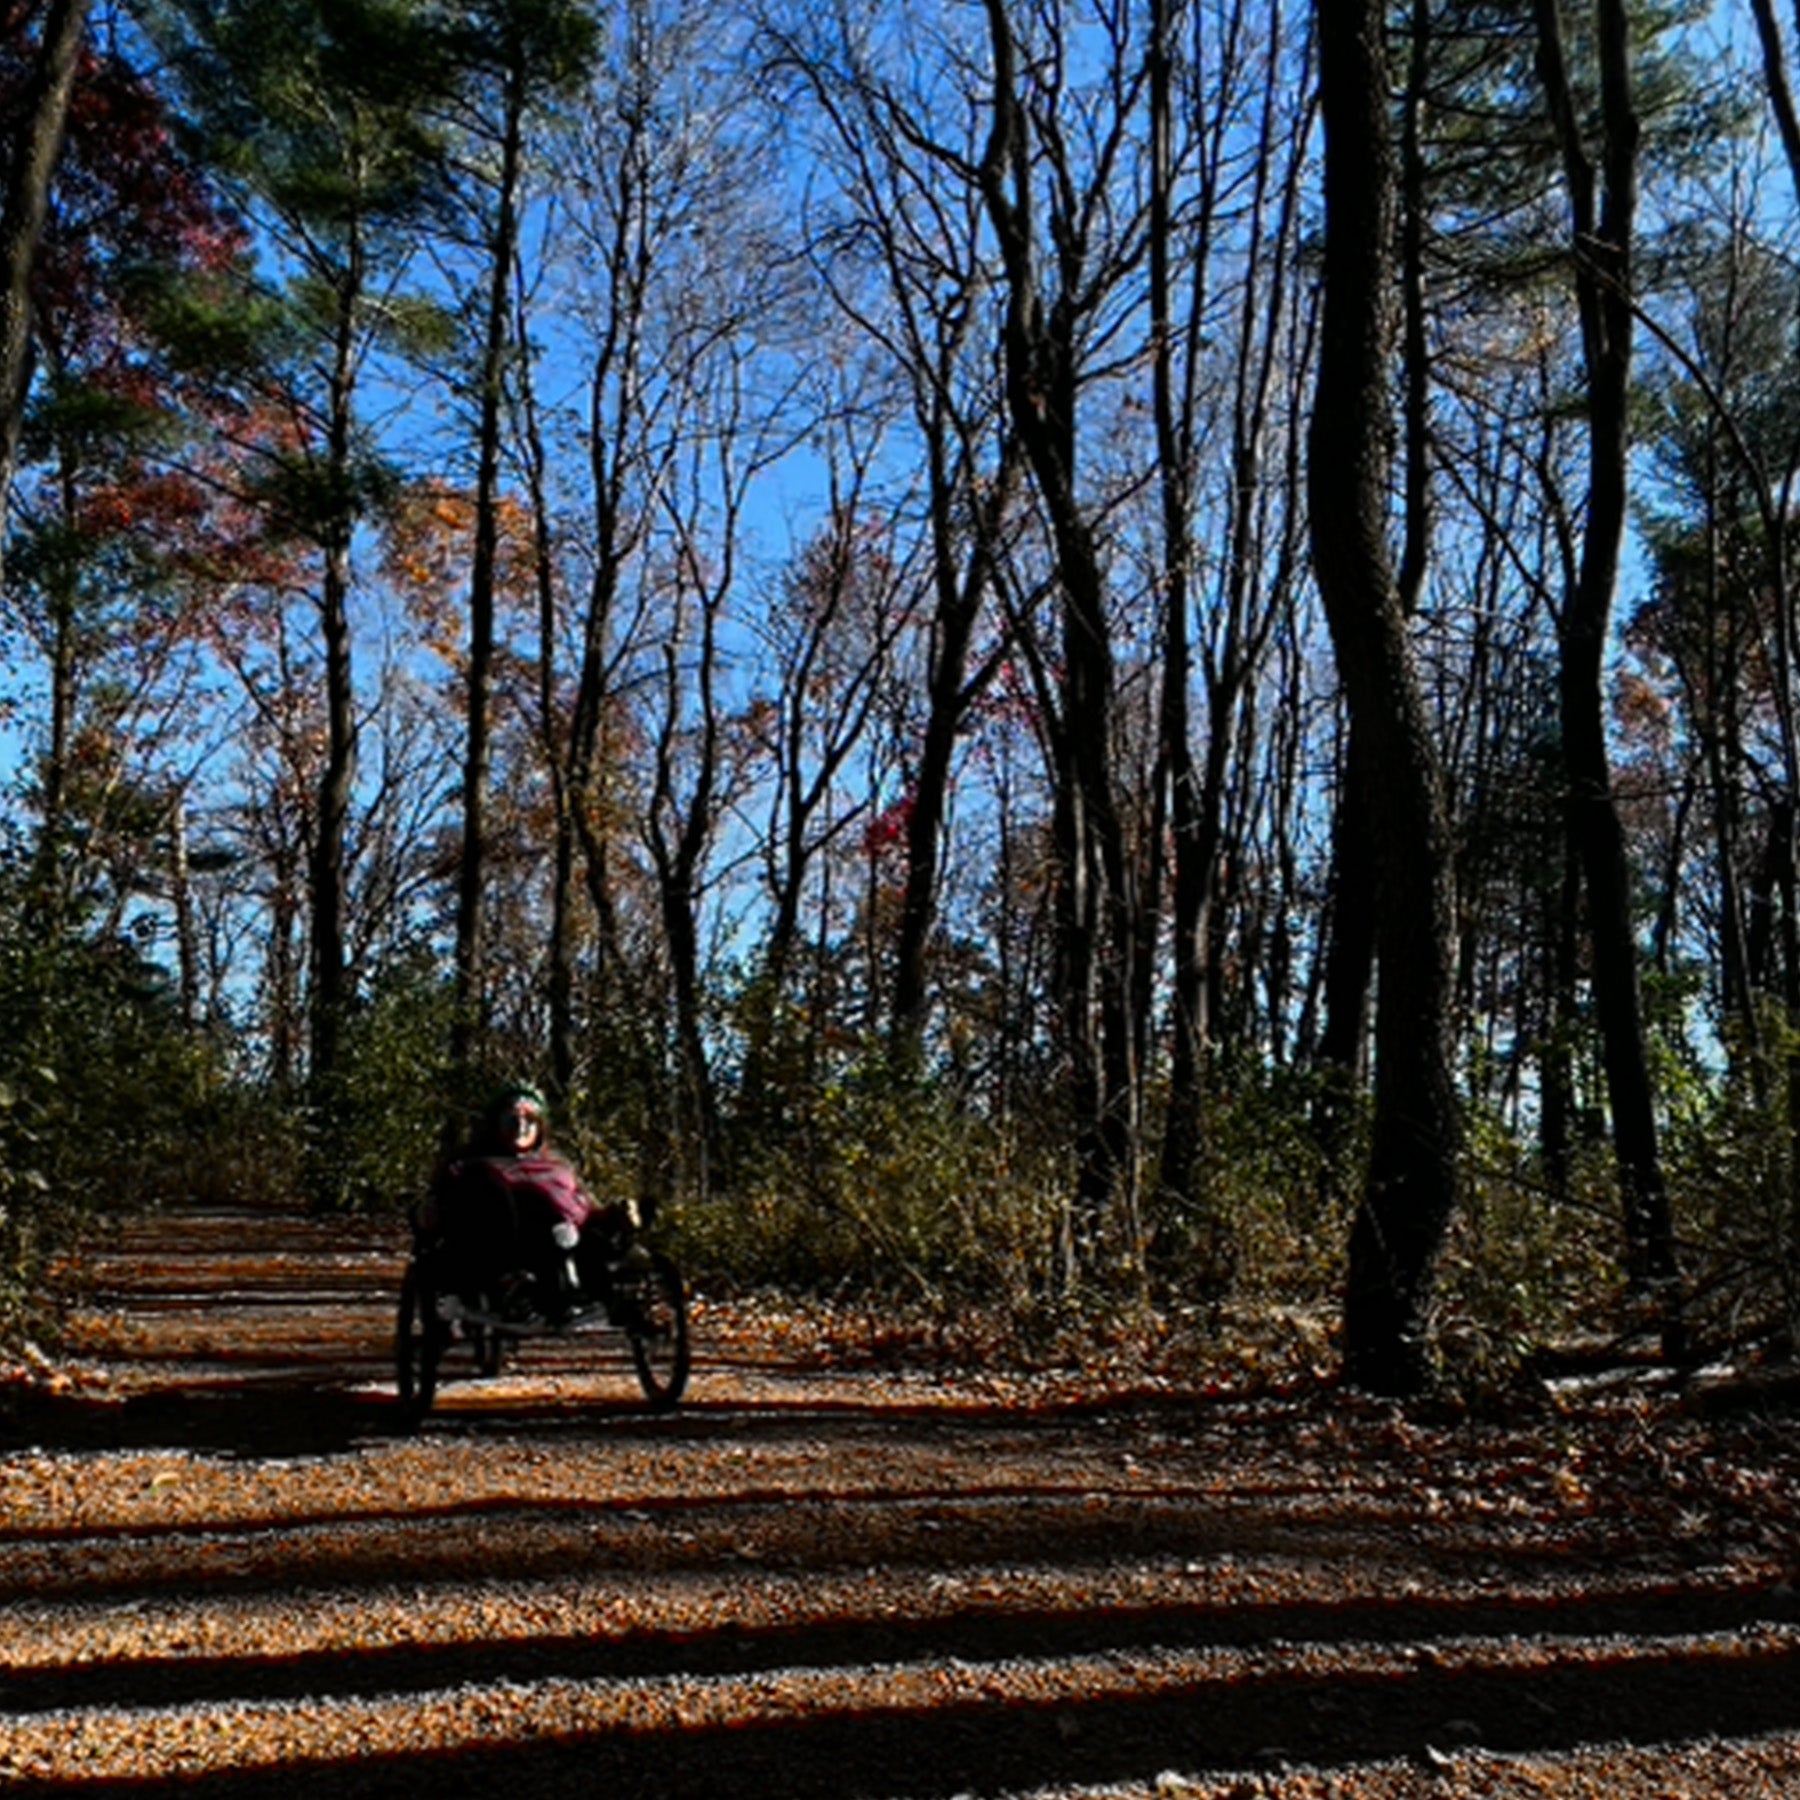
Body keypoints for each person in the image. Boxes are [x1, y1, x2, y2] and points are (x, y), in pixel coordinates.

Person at [422, 1082, 634, 1324]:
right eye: (511, 1120)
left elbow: (582, 1206)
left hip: (560, 1242)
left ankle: (603, 1295)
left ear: (540, 1127)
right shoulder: (469, 1166)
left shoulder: (557, 1167)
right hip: (495, 1246)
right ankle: (517, 1288)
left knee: (600, 1234)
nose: (520, 1128)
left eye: (530, 1121)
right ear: (496, 1124)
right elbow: (446, 1209)